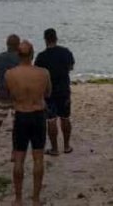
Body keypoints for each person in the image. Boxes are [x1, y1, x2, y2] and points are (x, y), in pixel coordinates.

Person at [6, 40, 52, 206]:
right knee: (38, 158)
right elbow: (48, 93)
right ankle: (36, 199)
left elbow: (11, 95)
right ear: (32, 55)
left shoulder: (10, 74)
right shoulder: (43, 73)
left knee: (19, 158)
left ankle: (18, 199)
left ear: (18, 55)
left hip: (21, 116)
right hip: (37, 115)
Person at [34, 28, 75, 156]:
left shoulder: (41, 57)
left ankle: (55, 148)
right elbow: (71, 67)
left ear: (45, 40)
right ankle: (67, 146)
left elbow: (38, 75)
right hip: (64, 90)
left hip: (49, 92)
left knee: (51, 120)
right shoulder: (66, 52)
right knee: (65, 118)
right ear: (56, 38)